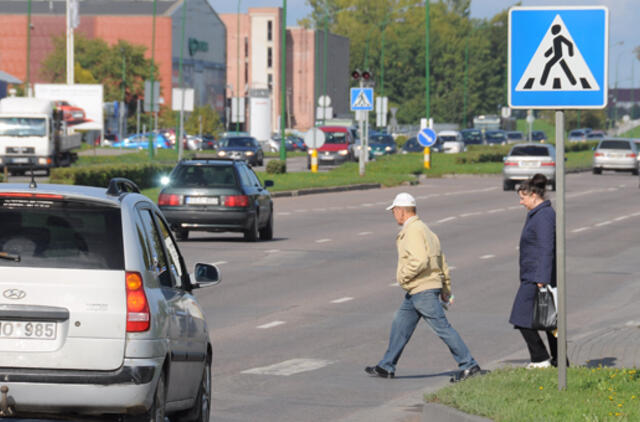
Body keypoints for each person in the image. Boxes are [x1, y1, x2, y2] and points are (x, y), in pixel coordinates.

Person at [365, 192, 482, 382]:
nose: (394, 214)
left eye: (394, 211)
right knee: (400, 323)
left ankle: (469, 365)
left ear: (401, 211)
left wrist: (402, 277)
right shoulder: (427, 230)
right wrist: (445, 288)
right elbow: (441, 261)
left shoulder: (412, 231)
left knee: (442, 328)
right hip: (422, 289)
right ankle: (386, 366)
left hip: (422, 288)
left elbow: (419, 261)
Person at [509, 174, 561, 368]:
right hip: (535, 275)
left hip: (537, 277)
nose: (521, 202)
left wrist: (542, 278)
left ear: (533, 195)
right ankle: (559, 361)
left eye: (523, 198)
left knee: (521, 317)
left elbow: (547, 247)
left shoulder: (544, 216)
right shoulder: (538, 214)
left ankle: (540, 358)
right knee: (548, 320)